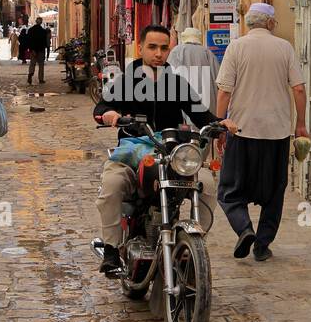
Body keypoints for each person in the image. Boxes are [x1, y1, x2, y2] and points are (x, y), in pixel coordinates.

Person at [93, 24, 231, 276]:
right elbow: (101, 107)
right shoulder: (126, 81)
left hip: (170, 155)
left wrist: (220, 123)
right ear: (141, 48)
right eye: (152, 47)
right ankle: (111, 248)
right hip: (132, 153)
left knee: (208, 185)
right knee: (111, 185)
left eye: (164, 48)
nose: (158, 53)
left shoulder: (177, 83)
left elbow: (201, 114)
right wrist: (109, 114)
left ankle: (194, 244)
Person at [215, 3, 308, 263]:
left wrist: (220, 123)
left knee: (230, 191)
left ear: (249, 23)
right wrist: (300, 124)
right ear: (270, 24)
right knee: (274, 191)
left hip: (242, 131)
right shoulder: (284, 48)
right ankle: (262, 245)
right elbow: (298, 89)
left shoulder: (236, 47)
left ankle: (244, 228)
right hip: (277, 133)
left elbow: (224, 91)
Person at [166, 26, 220, 112]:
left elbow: (168, 77)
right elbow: (218, 78)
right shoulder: (208, 53)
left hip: (183, 99)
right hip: (206, 100)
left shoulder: (177, 51)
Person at [25, 16, 50, 83]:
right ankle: (41, 79)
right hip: (41, 50)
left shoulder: (31, 30)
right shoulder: (43, 31)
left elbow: (28, 40)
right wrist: (47, 50)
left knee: (32, 64)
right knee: (41, 65)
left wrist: (31, 49)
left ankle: (30, 74)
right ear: (41, 22)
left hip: (33, 50)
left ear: (36, 21)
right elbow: (46, 42)